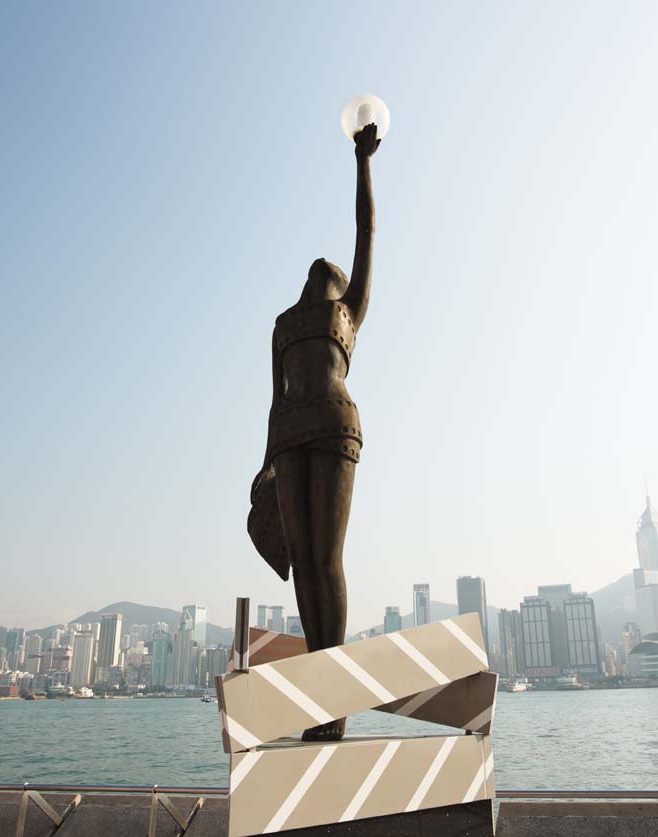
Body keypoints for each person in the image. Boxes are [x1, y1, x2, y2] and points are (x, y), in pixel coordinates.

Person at [248, 122, 381, 741]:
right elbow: (273, 399)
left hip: (332, 426)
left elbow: (366, 233)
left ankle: (334, 702)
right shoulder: (280, 325)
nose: (319, 269)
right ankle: (319, 695)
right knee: (303, 562)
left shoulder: (346, 310)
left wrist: (362, 162)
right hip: (290, 436)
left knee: (326, 560)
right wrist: (265, 462)